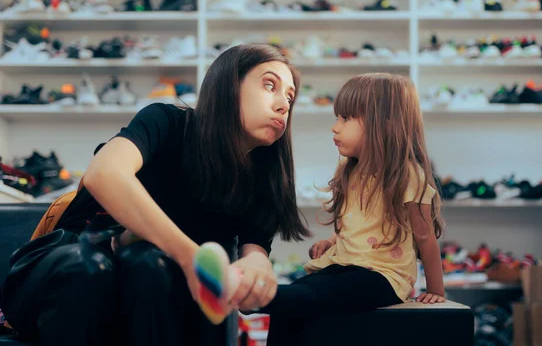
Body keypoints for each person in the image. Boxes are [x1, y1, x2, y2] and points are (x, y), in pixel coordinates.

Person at [0, 43, 310, 346]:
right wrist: (192, 259)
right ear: (228, 86)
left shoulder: (264, 179)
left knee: (148, 264)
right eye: (270, 85)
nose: (283, 104)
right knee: (96, 268)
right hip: (70, 268)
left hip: (149, 283)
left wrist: (256, 273)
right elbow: (104, 173)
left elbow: (253, 251)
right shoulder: (166, 121)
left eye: (289, 96)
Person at [239, 73, 445, 344]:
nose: (334, 128)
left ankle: (253, 296)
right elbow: (363, 224)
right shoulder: (353, 172)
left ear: (383, 125)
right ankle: (260, 297)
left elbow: (425, 237)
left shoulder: (407, 175)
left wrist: (436, 290)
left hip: (384, 277)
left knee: (305, 297)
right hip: (347, 266)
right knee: (295, 300)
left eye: (345, 119)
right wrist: (333, 241)